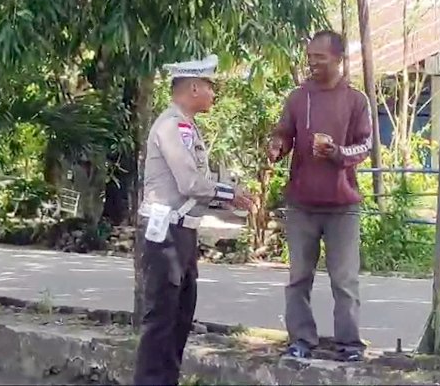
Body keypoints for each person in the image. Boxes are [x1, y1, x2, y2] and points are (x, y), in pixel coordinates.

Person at [134, 54, 253, 386]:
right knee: (161, 320)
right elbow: (189, 183)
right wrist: (229, 193)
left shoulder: (187, 126)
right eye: (211, 87)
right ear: (195, 87)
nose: (214, 94)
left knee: (180, 317)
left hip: (182, 232)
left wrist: (225, 193)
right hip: (165, 233)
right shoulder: (171, 126)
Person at [268, 30, 372, 362]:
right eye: (310, 56)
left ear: (338, 58)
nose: (312, 63)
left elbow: (365, 146)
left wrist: (336, 152)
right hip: (301, 204)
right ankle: (300, 340)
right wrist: (277, 146)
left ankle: (349, 345)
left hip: (343, 206)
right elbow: (283, 132)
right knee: (298, 277)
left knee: (344, 280)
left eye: (319, 57)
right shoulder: (298, 98)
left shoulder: (356, 100)